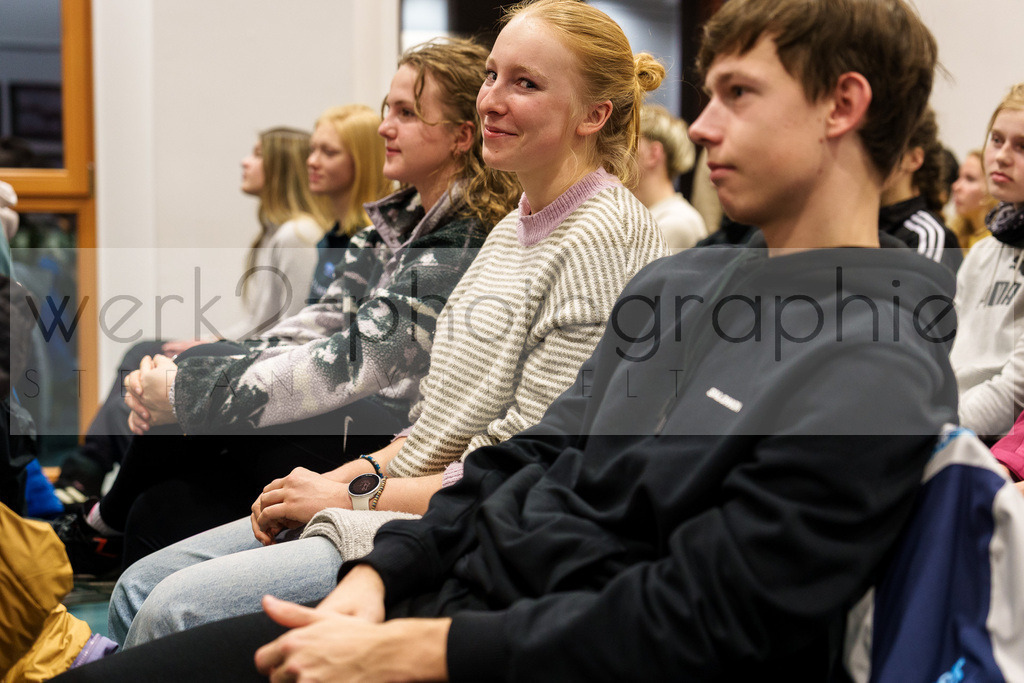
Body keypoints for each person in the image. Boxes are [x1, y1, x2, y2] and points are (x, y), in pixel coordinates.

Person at [53, 0, 957, 679]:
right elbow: (531, 454)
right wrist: (387, 573)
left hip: (504, 639)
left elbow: (702, 615)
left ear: (843, 105)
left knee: (168, 602)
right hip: (452, 585)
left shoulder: (875, 360)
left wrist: (426, 640)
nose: (704, 124)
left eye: (738, 94)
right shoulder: (687, 281)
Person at [108, 0, 667, 646]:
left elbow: (525, 471)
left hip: (466, 526)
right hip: (406, 495)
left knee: (168, 605)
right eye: (491, 75)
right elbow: (433, 426)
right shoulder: (515, 225)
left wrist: (351, 498)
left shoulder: (602, 234)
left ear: (594, 114)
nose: (491, 100)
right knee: (142, 582)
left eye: (525, 83)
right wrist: (340, 479)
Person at [54, 38, 519, 578]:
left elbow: (355, 361)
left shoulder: (460, 240)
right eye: (387, 109)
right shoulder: (393, 224)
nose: (384, 127)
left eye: (407, 113)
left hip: (385, 439)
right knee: (157, 501)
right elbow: (317, 323)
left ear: (463, 136)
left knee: (164, 491)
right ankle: (103, 525)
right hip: (346, 418)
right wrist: (198, 373)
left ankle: (96, 527)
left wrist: (189, 389)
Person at [52, 124, 347, 505]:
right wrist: (213, 340)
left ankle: (92, 480)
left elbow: (289, 324)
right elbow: (263, 318)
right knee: (140, 352)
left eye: (257, 154)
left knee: (151, 366)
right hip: (259, 346)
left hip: (273, 358)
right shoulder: (278, 232)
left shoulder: (296, 236)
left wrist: (214, 345)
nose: (245, 161)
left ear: (278, 168)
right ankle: (91, 475)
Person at [949, 83, 1024, 441]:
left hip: (991, 443)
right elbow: (945, 352)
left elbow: (1015, 391)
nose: (1002, 156)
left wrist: (936, 427)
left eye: (1022, 146)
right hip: (949, 422)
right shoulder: (982, 252)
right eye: (996, 140)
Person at [305, 106, 394, 303]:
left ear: (362, 161)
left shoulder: (377, 244)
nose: (312, 161)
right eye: (312, 150)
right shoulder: (331, 236)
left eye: (328, 152)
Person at [878, 106, 963, 272]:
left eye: (884, 144)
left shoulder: (927, 236)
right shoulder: (864, 225)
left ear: (914, 159)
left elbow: (918, 297)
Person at [633, 104, 706, 250]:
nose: (615, 154)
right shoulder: (650, 217)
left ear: (653, 154)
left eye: (627, 143)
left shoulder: (677, 223)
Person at [949, 149, 997, 253]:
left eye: (970, 179)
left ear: (992, 189)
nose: (955, 186)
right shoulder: (954, 234)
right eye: (959, 177)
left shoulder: (998, 244)